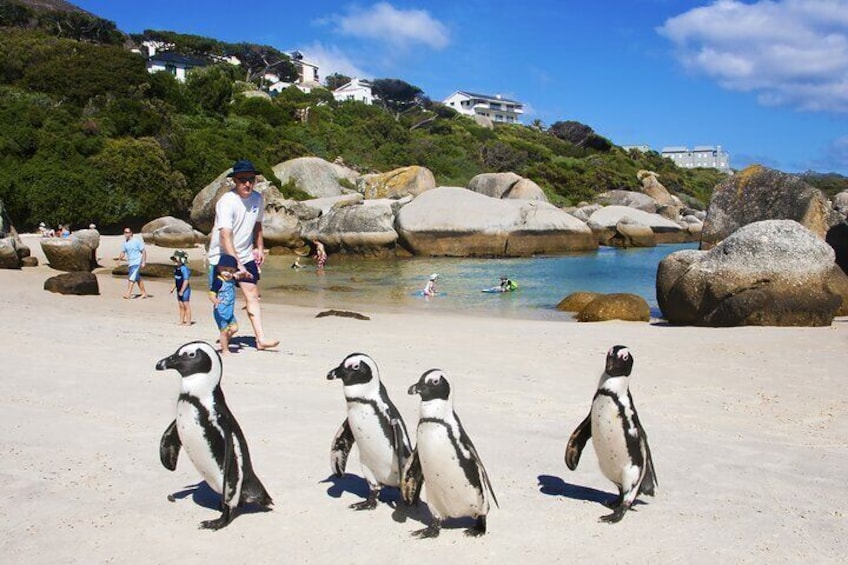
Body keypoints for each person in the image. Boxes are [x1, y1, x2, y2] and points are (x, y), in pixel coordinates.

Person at [207, 159, 279, 351]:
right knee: (223, 298)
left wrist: (260, 247)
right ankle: (226, 331)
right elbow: (225, 234)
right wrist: (235, 263)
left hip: (246, 255)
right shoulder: (227, 202)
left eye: (251, 179)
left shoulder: (257, 199)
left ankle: (261, 339)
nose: (247, 184)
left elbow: (257, 225)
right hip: (222, 257)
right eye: (242, 180)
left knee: (252, 294)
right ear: (235, 181)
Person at [209, 254, 239, 355]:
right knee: (224, 331)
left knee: (234, 328)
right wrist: (215, 300)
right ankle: (225, 349)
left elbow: (240, 284)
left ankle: (225, 340)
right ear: (219, 268)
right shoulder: (218, 281)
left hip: (229, 311)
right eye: (225, 270)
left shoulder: (232, 280)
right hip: (220, 311)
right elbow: (211, 293)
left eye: (231, 271)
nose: (228, 273)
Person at [115, 227, 148, 299]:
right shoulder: (125, 243)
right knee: (137, 278)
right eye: (124, 232)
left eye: (127, 232)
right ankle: (144, 293)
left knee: (131, 278)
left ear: (131, 233)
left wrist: (143, 262)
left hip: (137, 261)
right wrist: (119, 260)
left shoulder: (136, 241)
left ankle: (128, 293)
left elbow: (143, 251)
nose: (125, 234)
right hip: (131, 262)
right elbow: (123, 252)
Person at [169, 250, 192, 325]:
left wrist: (182, 290)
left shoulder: (184, 269)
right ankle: (181, 320)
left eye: (176, 260)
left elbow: (186, 280)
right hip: (178, 289)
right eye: (174, 260)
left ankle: (188, 321)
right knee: (181, 306)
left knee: (186, 305)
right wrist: (173, 288)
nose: (175, 261)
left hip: (185, 290)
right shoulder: (176, 269)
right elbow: (176, 279)